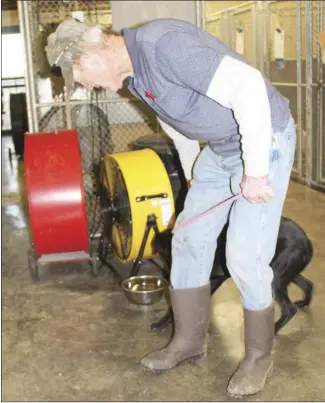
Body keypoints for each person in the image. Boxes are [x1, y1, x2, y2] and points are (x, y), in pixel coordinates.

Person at [46, 17, 296, 397]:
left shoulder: (162, 45)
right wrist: (196, 173)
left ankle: (259, 356)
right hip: (219, 151)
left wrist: (257, 171)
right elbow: (176, 125)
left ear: (94, 52)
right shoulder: (135, 78)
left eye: (78, 73)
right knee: (187, 238)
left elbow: (248, 87)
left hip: (264, 141)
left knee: (244, 256)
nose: (82, 84)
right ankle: (189, 341)